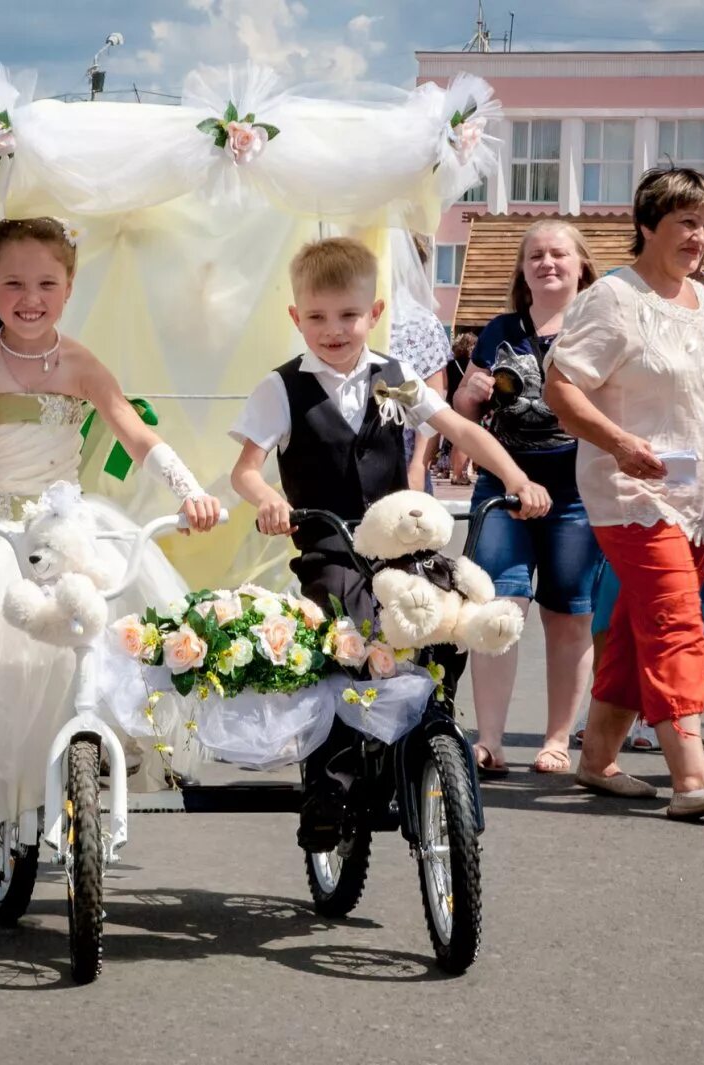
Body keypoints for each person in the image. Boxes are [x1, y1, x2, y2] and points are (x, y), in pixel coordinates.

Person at [0, 217, 221, 893]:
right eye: (15, 283)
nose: (32, 296)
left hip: (65, 530)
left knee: (101, 646)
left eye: (47, 283)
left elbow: (137, 434)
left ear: (69, 286)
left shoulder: (81, 363)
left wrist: (191, 489)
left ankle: (88, 780)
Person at [229, 236, 551, 848]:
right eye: (318, 318)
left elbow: (457, 427)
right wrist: (268, 499)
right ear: (296, 318)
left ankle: (429, 727)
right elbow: (246, 468)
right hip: (329, 546)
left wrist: (515, 476)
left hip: (398, 546)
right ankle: (330, 785)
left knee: (447, 608)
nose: (334, 330)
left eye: (348, 315)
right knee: (351, 637)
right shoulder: (284, 388)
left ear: (374, 314)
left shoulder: (392, 377)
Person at [543, 167, 704, 821]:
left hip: (702, 495)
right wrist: (619, 441)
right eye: (686, 222)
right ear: (648, 225)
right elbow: (561, 386)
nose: (701, 237)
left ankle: (596, 758)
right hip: (632, 494)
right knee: (676, 622)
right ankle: (691, 776)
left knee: (630, 627)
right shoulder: (613, 299)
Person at [451, 220, 602, 775]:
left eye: (559, 254)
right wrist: (466, 399)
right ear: (523, 270)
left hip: (577, 488)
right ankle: (490, 739)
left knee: (569, 615)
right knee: (495, 606)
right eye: (535, 255)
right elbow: (462, 419)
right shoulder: (499, 330)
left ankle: (558, 739)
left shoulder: (599, 324)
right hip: (505, 482)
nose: (547, 263)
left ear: (582, 264)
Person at [388, 233, 450, 491]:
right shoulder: (342, 317)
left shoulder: (421, 323)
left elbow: (434, 402)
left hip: (401, 452)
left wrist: (418, 465)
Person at [442, 331, 475, 484]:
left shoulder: (450, 364)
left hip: (451, 403)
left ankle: (455, 472)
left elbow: (445, 385)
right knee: (466, 439)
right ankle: (459, 474)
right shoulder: (474, 364)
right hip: (468, 402)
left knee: (456, 439)